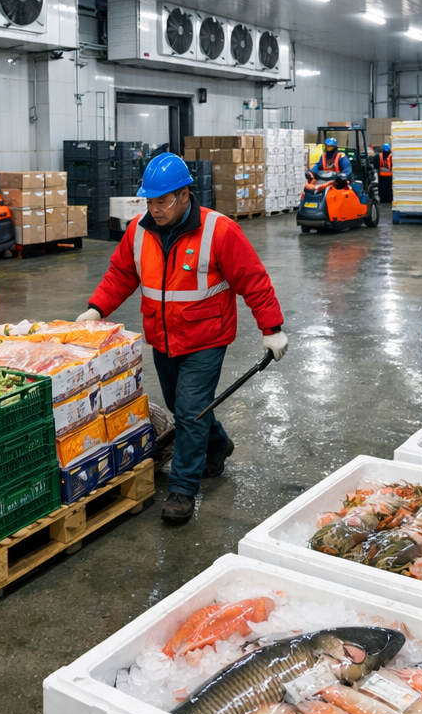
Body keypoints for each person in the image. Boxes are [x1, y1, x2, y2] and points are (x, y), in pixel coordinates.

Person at [77, 153, 287, 524]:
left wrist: (271, 330)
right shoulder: (139, 232)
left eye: (163, 201)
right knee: (183, 406)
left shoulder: (218, 230)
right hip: (163, 338)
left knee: (190, 411)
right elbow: (122, 274)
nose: (155, 209)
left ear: (185, 195)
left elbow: (253, 280)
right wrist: (97, 308)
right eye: (150, 201)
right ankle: (218, 444)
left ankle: (183, 489)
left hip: (207, 337)